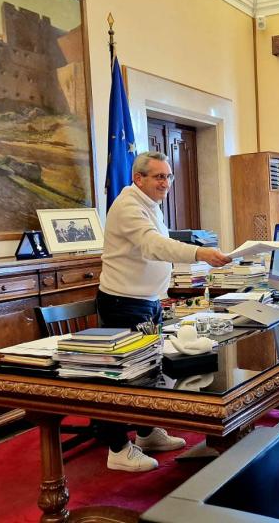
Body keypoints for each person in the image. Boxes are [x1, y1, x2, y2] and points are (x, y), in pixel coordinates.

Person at [96, 151, 231, 472]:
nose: (166, 183)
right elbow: (154, 245)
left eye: (168, 176)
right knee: (125, 376)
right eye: (158, 176)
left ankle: (146, 433)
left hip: (146, 301)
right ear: (138, 178)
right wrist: (200, 253)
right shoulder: (128, 206)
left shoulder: (149, 204)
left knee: (151, 371)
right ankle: (118, 448)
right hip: (124, 303)